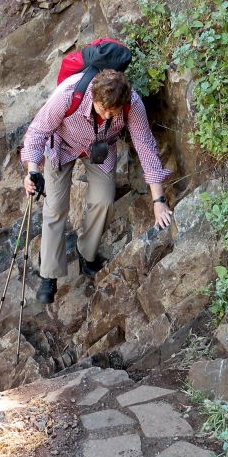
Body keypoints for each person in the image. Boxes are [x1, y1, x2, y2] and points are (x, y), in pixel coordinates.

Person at [21, 68, 172, 303]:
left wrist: (158, 201)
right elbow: (37, 131)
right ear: (93, 97)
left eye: (115, 112)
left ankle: (86, 254)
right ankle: (49, 275)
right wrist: (32, 171)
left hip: (100, 151)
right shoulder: (69, 95)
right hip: (61, 146)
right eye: (104, 110)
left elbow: (146, 148)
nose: (110, 116)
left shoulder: (132, 104)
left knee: (104, 201)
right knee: (55, 208)